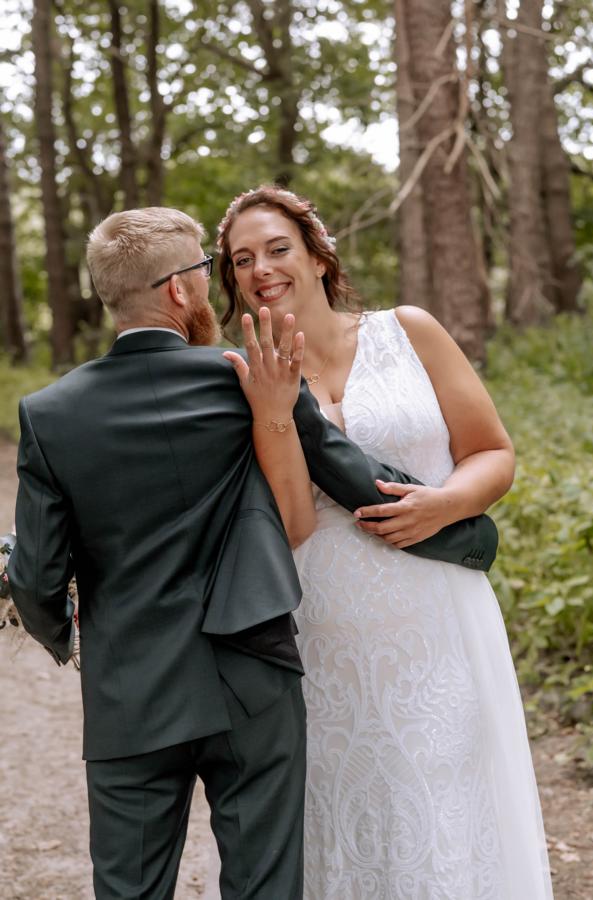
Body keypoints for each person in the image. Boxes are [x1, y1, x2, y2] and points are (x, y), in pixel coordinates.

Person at [7, 207, 497, 900]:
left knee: (128, 887)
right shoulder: (247, 377)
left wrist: (73, 640)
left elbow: (35, 579)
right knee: (264, 883)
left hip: (129, 691)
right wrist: (468, 535)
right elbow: (352, 478)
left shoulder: (49, 413)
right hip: (252, 676)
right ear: (180, 289)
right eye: (208, 271)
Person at [217, 186, 554, 899]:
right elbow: (284, 518)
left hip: (437, 613)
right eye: (242, 260)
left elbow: (492, 452)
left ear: (317, 255)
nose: (261, 268)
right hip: (324, 628)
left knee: (444, 793)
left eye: (277, 248)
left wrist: (446, 503)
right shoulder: (244, 376)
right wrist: (272, 413)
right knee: (348, 806)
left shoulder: (409, 331)